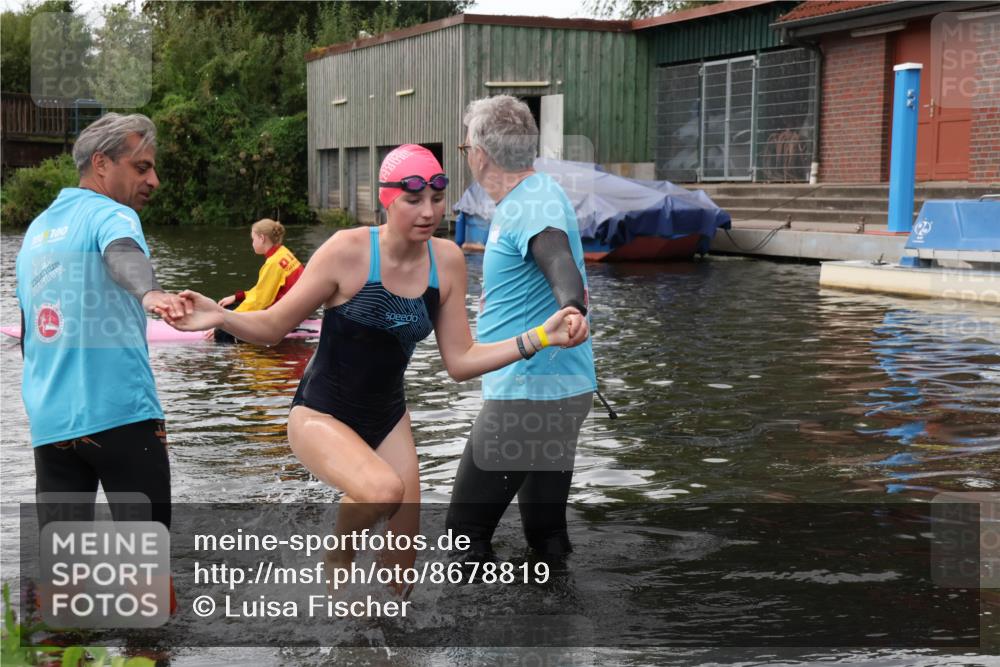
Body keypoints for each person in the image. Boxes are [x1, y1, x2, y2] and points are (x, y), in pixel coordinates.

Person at [163, 144, 588, 578]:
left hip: (387, 418)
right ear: (386, 199)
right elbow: (274, 326)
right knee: (382, 489)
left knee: (401, 576)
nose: (428, 211)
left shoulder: (447, 261)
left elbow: (460, 362)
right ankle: (337, 557)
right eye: (413, 199)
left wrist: (541, 337)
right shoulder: (346, 251)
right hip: (320, 413)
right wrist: (220, 315)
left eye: (437, 199)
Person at [15, 112, 189, 608]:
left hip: (52, 428)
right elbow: (123, 253)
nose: (152, 180)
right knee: (150, 588)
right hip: (121, 419)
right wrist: (150, 292)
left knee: (61, 586)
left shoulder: (36, 232)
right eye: (141, 167)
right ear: (100, 164)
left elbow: (29, 333)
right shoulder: (109, 214)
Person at [446, 95, 597, 562]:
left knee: (464, 534)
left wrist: (571, 307)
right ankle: (556, 625)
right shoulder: (533, 195)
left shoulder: (531, 204)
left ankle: (464, 632)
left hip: (527, 396)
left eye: (463, 145)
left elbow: (556, 257)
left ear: (480, 153)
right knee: (545, 531)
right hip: (561, 389)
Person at [212, 218, 304, 342]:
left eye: (253, 239)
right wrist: (238, 296)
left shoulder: (273, 264)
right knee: (230, 308)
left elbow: (260, 302)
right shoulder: (283, 252)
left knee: (222, 332)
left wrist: (227, 319)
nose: (252, 243)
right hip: (294, 313)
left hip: (285, 319)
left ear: (262, 238)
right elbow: (264, 289)